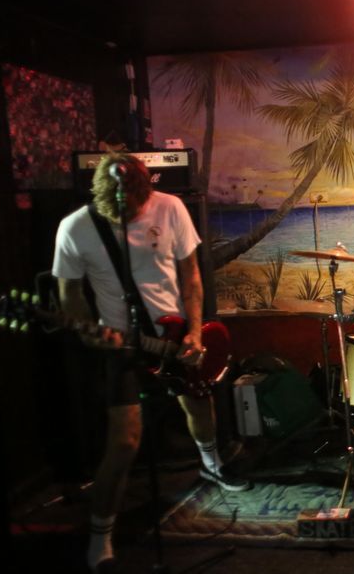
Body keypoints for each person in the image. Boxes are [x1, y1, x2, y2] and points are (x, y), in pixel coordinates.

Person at [52, 154, 250, 573]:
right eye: (118, 202)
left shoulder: (170, 208)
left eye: (136, 201)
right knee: (124, 442)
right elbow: (69, 297)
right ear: (101, 192)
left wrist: (194, 332)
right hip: (122, 345)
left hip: (173, 338)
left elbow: (190, 275)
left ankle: (211, 465)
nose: (128, 209)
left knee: (199, 403)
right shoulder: (75, 228)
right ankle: (100, 536)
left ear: (147, 190)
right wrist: (91, 334)